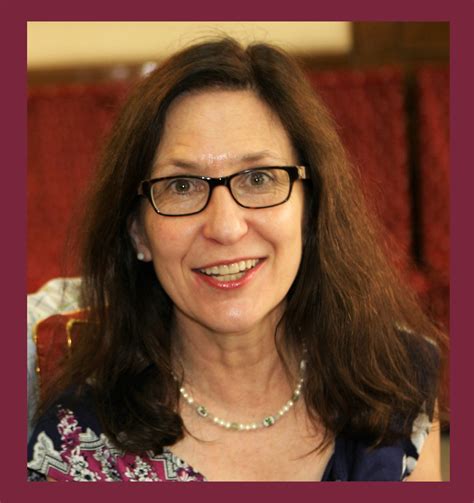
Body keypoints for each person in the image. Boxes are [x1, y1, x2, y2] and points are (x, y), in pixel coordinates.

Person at [27, 37, 445, 482]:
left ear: (309, 209)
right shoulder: (73, 434)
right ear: (138, 232)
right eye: (182, 186)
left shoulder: (395, 378)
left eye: (259, 179)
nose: (225, 228)